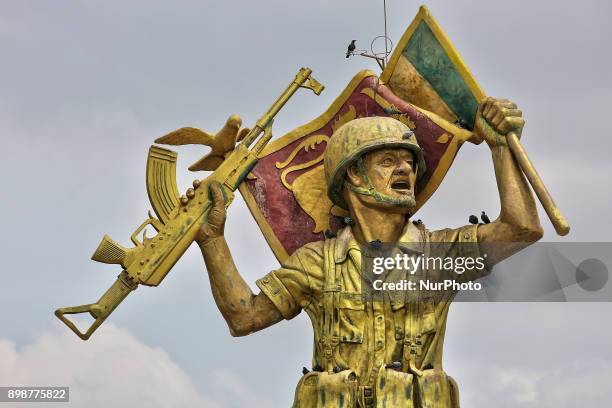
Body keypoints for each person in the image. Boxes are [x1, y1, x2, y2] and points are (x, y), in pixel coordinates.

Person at [195, 97, 543, 407]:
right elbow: (245, 317)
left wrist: (500, 148)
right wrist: (212, 239)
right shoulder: (317, 263)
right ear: (354, 177)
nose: (405, 169)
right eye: (388, 161)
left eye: (408, 162)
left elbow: (520, 229)